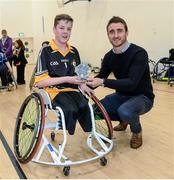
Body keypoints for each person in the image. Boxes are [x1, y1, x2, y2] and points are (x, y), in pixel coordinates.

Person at [87, 16, 155, 149]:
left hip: (143, 97)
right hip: (122, 96)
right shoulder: (108, 57)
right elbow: (101, 76)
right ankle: (123, 120)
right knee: (93, 112)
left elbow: (132, 83)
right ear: (108, 35)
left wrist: (103, 81)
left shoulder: (139, 53)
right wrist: (83, 81)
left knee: (125, 110)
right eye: (112, 32)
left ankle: (136, 131)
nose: (116, 35)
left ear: (126, 33)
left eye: (120, 31)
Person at [34, 14, 94, 135]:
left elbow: (79, 75)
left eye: (69, 29)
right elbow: (40, 82)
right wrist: (67, 79)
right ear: (54, 29)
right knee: (70, 109)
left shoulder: (74, 51)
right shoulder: (46, 51)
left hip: (72, 91)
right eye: (61, 28)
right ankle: (65, 132)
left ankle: (91, 133)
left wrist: (83, 85)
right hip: (53, 91)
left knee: (85, 107)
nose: (65, 32)